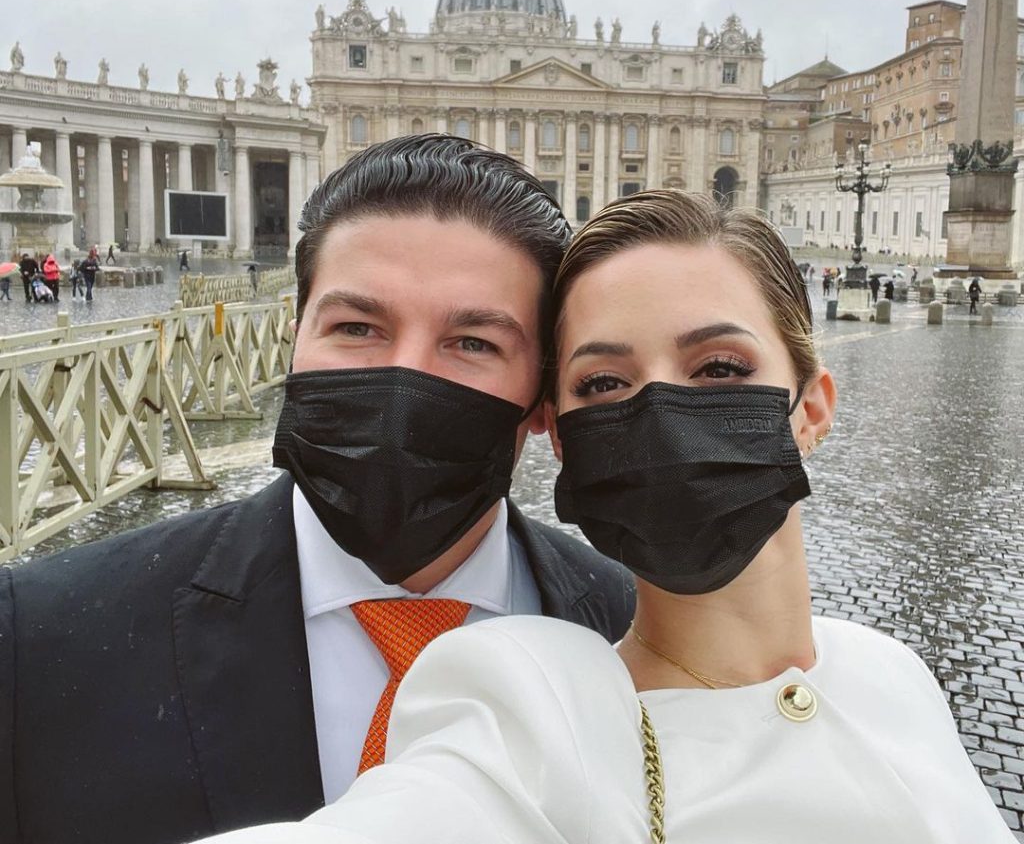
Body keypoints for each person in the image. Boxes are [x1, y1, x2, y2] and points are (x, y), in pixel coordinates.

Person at [203, 190, 1010, 843]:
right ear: (560, 436)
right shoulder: (535, 718)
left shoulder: (890, 672)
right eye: (603, 384)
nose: (660, 412)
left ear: (813, 407)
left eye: (718, 367)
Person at [0, 134, 634, 844]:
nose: (404, 378)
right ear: (294, 338)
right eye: (357, 327)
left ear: (543, 397)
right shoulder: (35, 643)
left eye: (473, 343)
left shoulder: (633, 635)